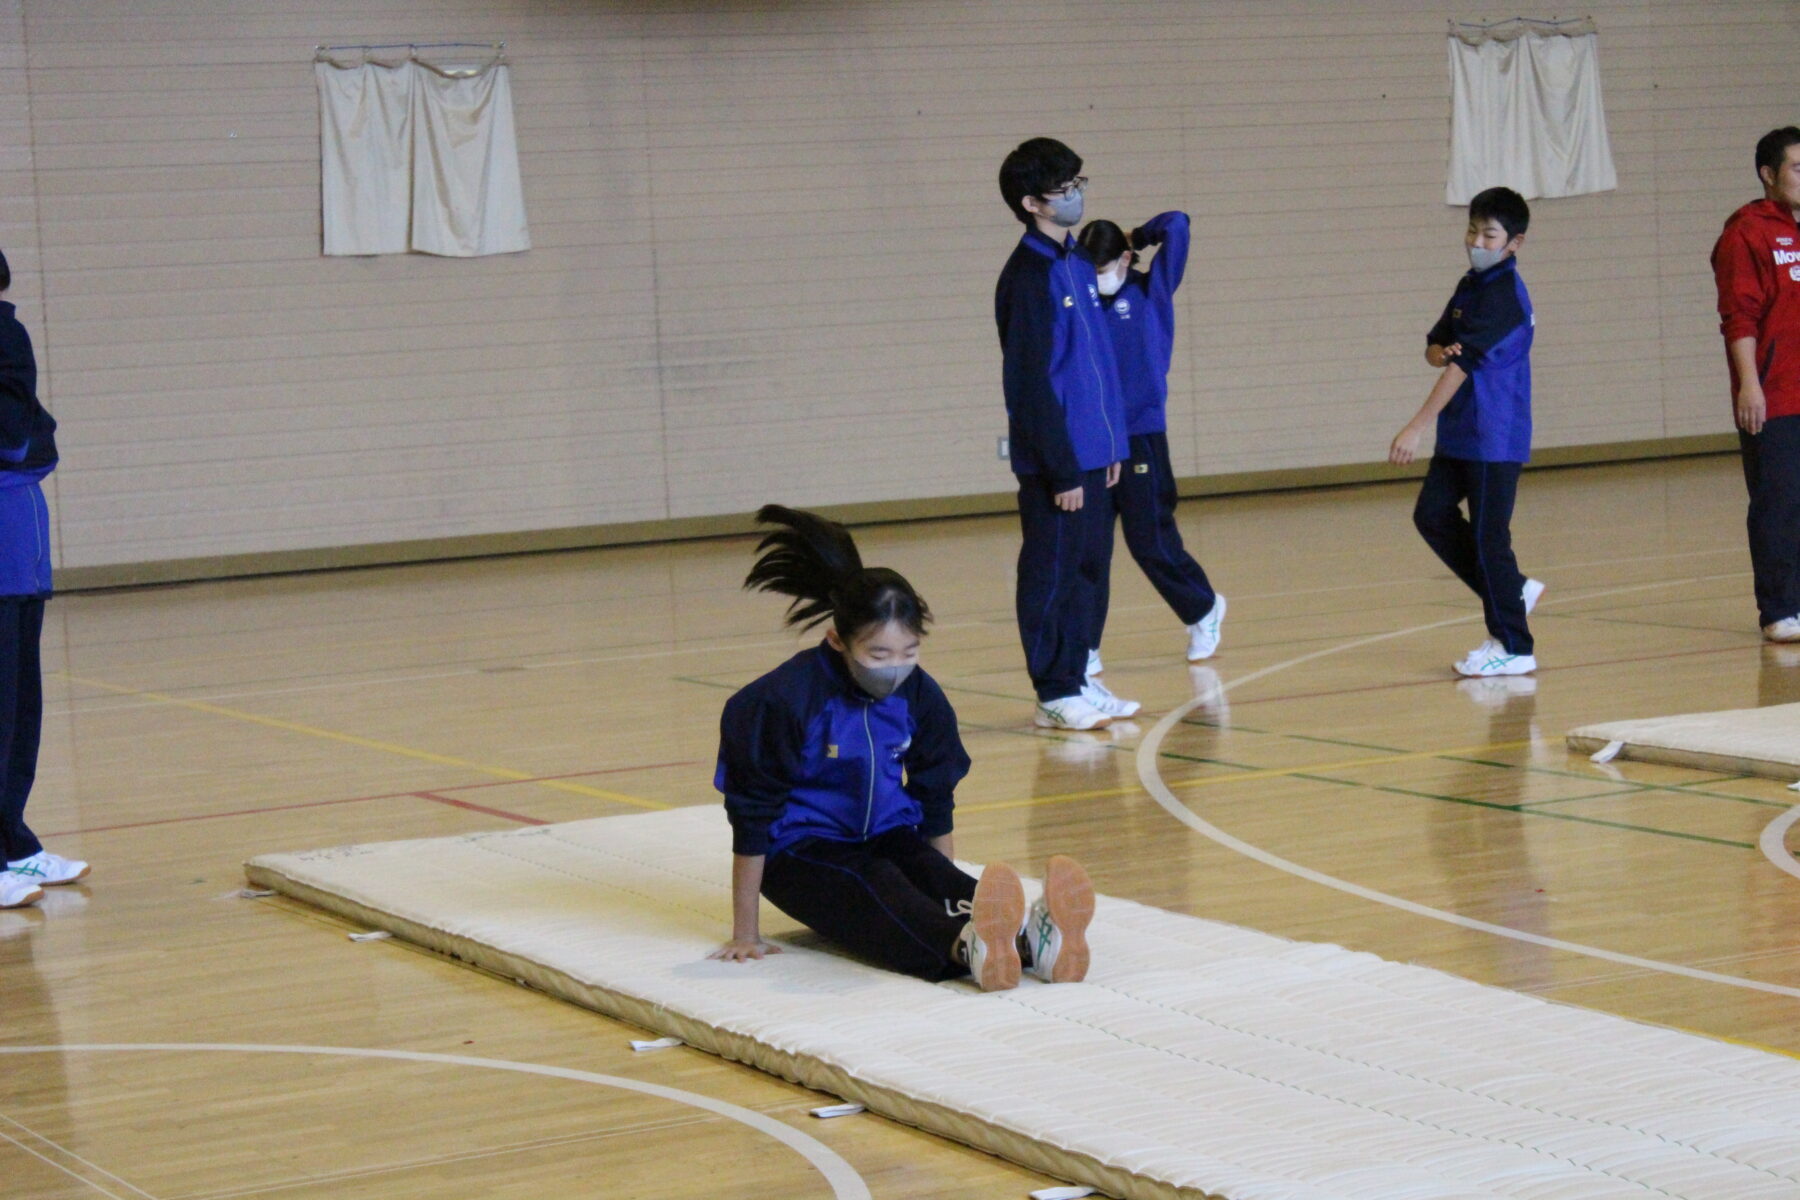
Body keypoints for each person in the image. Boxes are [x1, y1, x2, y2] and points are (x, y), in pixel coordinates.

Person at [710, 505, 1095, 992]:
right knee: (877, 882)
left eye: (908, 653)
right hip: (799, 853)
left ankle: (1034, 942)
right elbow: (752, 818)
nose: (895, 668)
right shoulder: (783, 701)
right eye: (878, 655)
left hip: (885, 833)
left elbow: (936, 796)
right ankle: (966, 948)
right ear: (836, 641)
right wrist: (747, 932)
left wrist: (944, 879)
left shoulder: (920, 695)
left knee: (929, 875)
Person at [994, 137, 1136, 731]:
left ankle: (1077, 675)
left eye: (1080, 184)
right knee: (1050, 572)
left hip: (1095, 454)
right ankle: (1053, 688)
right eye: (1063, 190)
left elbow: (1096, 364)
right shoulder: (1028, 277)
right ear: (1031, 203)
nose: (1077, 197)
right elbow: (1031, 382)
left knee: (1089, 571)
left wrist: (1112, 445)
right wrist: (1060, 467)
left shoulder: (1078, 262)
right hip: (1058, 462)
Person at [1389, 187, 1546, 677]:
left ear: (1513, 243)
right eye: (1473, 230)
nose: (1477, 240)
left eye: (1489, 234)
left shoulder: (1504, 298)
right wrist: (1437, 350)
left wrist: (1415, 426)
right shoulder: (1471, 284)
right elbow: (1439, 347)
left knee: (1487, 539)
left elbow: (1461, 369)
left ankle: (1514, 645)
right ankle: (1512, 589)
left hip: (1492, 436)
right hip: (1461, 434)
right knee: (1431, 514)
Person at [1076, 213, 1226, 671]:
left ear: (1123, 259)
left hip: (1141, 435)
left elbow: (1178, 224)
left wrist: (1137, 236)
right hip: (1094, 441)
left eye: (1102, 268)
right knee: (1091, 548)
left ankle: (1203, 608)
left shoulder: (1150, 290)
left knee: (1149, 539)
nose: (1095, 278)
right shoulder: (1081, 300)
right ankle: (1086, 646)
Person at [0, 250, 85, 909]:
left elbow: (40, 437)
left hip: (22, 551)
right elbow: (21, 439)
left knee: (22, 704)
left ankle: (15, 843)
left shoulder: (8, 331)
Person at [1712, 126, 1800, 643]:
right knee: (1778, 500)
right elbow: (1738, 317)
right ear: (1769, 175)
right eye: (1797, 167)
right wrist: (1750, 385)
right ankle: (1779, 609)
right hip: (1775, 393)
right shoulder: (1746, 232)